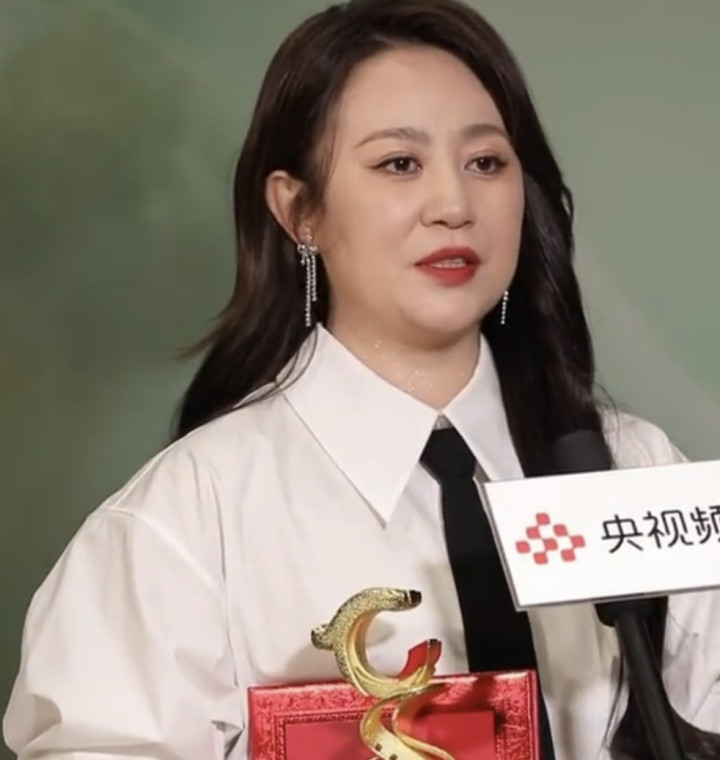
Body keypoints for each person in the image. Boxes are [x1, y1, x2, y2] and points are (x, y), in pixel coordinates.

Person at [4, 1, 720, 758]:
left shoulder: (634, 471)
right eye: (399, 164)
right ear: (298, 210)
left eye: (486, 162)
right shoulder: (189, 522)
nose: (454, 206)